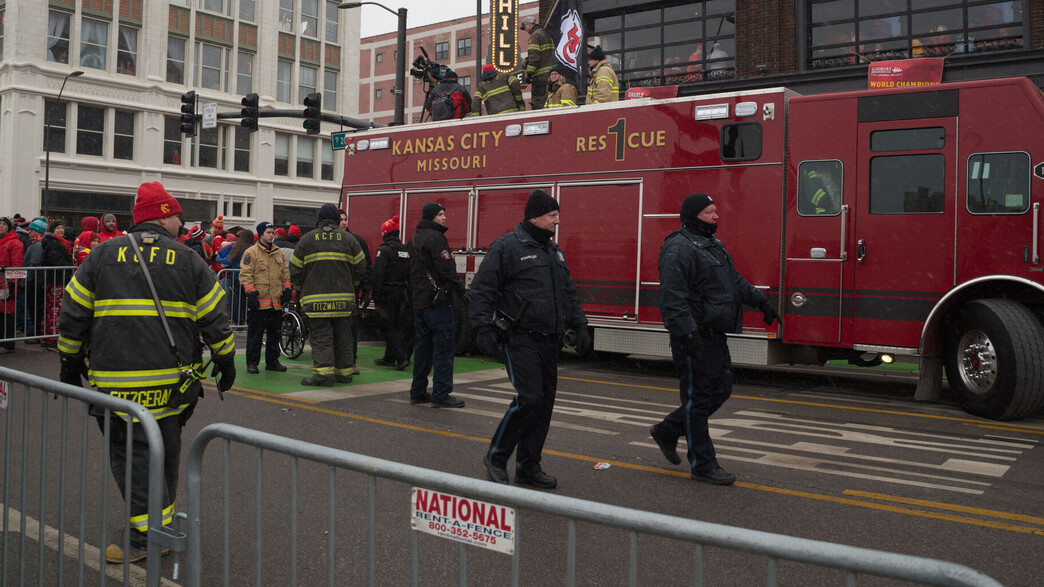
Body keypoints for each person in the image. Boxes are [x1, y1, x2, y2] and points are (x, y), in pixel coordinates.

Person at [57, 181, 236, 563]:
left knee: (130, 458)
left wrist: (69, 364)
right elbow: (215, 319)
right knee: (165, 453)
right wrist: (226, 361)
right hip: (172, 386)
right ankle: (161, 526)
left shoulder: (102, 256)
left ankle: (143, 538)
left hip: (114, 388)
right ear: (164, 216)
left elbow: (73, 315)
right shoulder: (189, 259)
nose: (180, 223)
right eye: (176, 216)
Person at [648, 193, 780, 486]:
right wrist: (687, 334)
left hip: (714, 336)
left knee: (721, 389)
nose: (716, 216)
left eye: (715, 210)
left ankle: (668, 430)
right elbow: (672, 299)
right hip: (694, 337)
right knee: (697, 400)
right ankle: (703, 464)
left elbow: (734, 281)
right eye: (709, 212)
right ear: (694, 216)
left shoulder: (712, 245)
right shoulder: (678, 249)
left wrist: (761, 302)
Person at [470, 190, 591, 489]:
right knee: (530, 399)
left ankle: (528, 466)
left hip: (550, 340)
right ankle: (496, 458)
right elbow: (482, 290)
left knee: (543, 404)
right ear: (534, 216)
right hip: (521, 338)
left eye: (557, 216)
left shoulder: (554, 252)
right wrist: (482, 328)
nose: (557, 222)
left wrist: (581, 325)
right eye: (552, 216)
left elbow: (568, 292)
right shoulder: (508, 246)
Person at [289, 204, 366, 386]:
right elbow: (361, 268)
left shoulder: (307, 240)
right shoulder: (349, 240)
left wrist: (300, 289)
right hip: (344, 301)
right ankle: (344, 374)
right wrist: (351, 286)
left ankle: (323, 376)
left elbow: (294, 270)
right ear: (337, 219)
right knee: (343, 338)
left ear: (319, 219)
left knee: (322, 338)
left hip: (315, 301)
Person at [407, 202, 466, 407]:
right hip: (439, 303)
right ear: (432, 217)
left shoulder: (413, 238)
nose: (444, 218)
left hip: (420, 303)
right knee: (443, 349)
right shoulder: (436, 238)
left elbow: (411, 272)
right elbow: (447, 268)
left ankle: (417, 392)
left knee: (422, 349)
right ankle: (441, 394)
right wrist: (461, 291)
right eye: (441, 214)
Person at [239, 221, 291, 374]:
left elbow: (284, 274)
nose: (271, 235)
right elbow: (246, 274)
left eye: (272, 232)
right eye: (268, 232)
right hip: (259, 303)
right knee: (255, 335)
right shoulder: (251, 252)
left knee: (274, 335)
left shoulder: (279, 253)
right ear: (261, 234)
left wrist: (287, 289)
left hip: (276, 303)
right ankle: (252, 363)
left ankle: (272, 362)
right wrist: (250, 292)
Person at [372, 215, 411, 370]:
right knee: (397, 326)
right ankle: (389, 358)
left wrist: (376, 294)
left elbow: (378, 274)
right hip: (401, 293)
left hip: (387, 293)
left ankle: (401, 358)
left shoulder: (384, 251)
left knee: (387, 327)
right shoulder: (405, 250)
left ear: (386, 233)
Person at [339, 209, 372, 375]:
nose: (344, 222)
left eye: (345, 219)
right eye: (341, 220)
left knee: (351, 329)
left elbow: (366, 268)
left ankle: (351, 361)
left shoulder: (356, 241)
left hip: (351, 293)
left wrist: (366, 291)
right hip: (336, 293)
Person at [40, 220, 73, 350]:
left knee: (51, 310)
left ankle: (47, 338)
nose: (61, 230)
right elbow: (58, 262)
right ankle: (52, 339)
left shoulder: (58, 242)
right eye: (58, 228)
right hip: (56, 281)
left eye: (62, 228)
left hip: (54, 280)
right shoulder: (54, 243)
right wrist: (70, 266)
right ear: (53, 230)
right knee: (55, 310)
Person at [217, 230, 254, 326]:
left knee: (238, 300)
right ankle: (246, 321)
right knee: (247, 301)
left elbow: (225, 257)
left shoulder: (235, 247)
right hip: (248, 277)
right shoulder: (251, 248)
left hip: (235, 277)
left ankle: (238, 322)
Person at [520, 15, 554, 109]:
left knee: (538, 104)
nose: (525, 30)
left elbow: (534, 57)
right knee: (547, 101)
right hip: (549, 75)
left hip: (540, 77)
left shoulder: (534, 36)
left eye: (525, 27)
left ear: (529, 24)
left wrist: (529, 74)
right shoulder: (546, 34)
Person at [0, 217, 23, 353]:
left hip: (7, 282)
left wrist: (13, 282)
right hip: (1, 281)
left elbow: (16, 264)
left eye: (3, 224)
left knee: (7, 312)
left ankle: (8, 343)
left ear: (9, 227)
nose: (1, 226)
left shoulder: (15, 243)